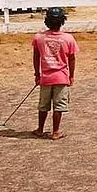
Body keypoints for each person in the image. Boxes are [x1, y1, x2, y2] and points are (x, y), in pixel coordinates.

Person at [31, 7, 78, 140]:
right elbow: (72, 58)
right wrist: (71, 76)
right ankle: (56, 131)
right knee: (59, 106)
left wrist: (37, 75)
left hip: (46, 78)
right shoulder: (68, 38)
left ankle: (40, 129)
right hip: (61, 77)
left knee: (43, 105)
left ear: (47, 21)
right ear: (62, 21)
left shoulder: (39, 38)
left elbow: (36, 57)